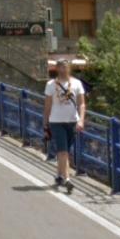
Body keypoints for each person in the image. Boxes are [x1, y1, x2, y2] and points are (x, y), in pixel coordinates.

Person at [43, 59, 86, 192]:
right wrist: (45, 124)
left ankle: (59, 175)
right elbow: (48, 105)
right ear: (57, 68)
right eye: (60, 67)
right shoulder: (50, 84)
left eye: (65, 67)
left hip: (72, 121)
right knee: (63, 151)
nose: (63, 70)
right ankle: (67, 179)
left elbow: (81, 104)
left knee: (66, 150)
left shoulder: (77, 83)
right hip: (56, 121)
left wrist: (81, 120)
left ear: (69, 68)